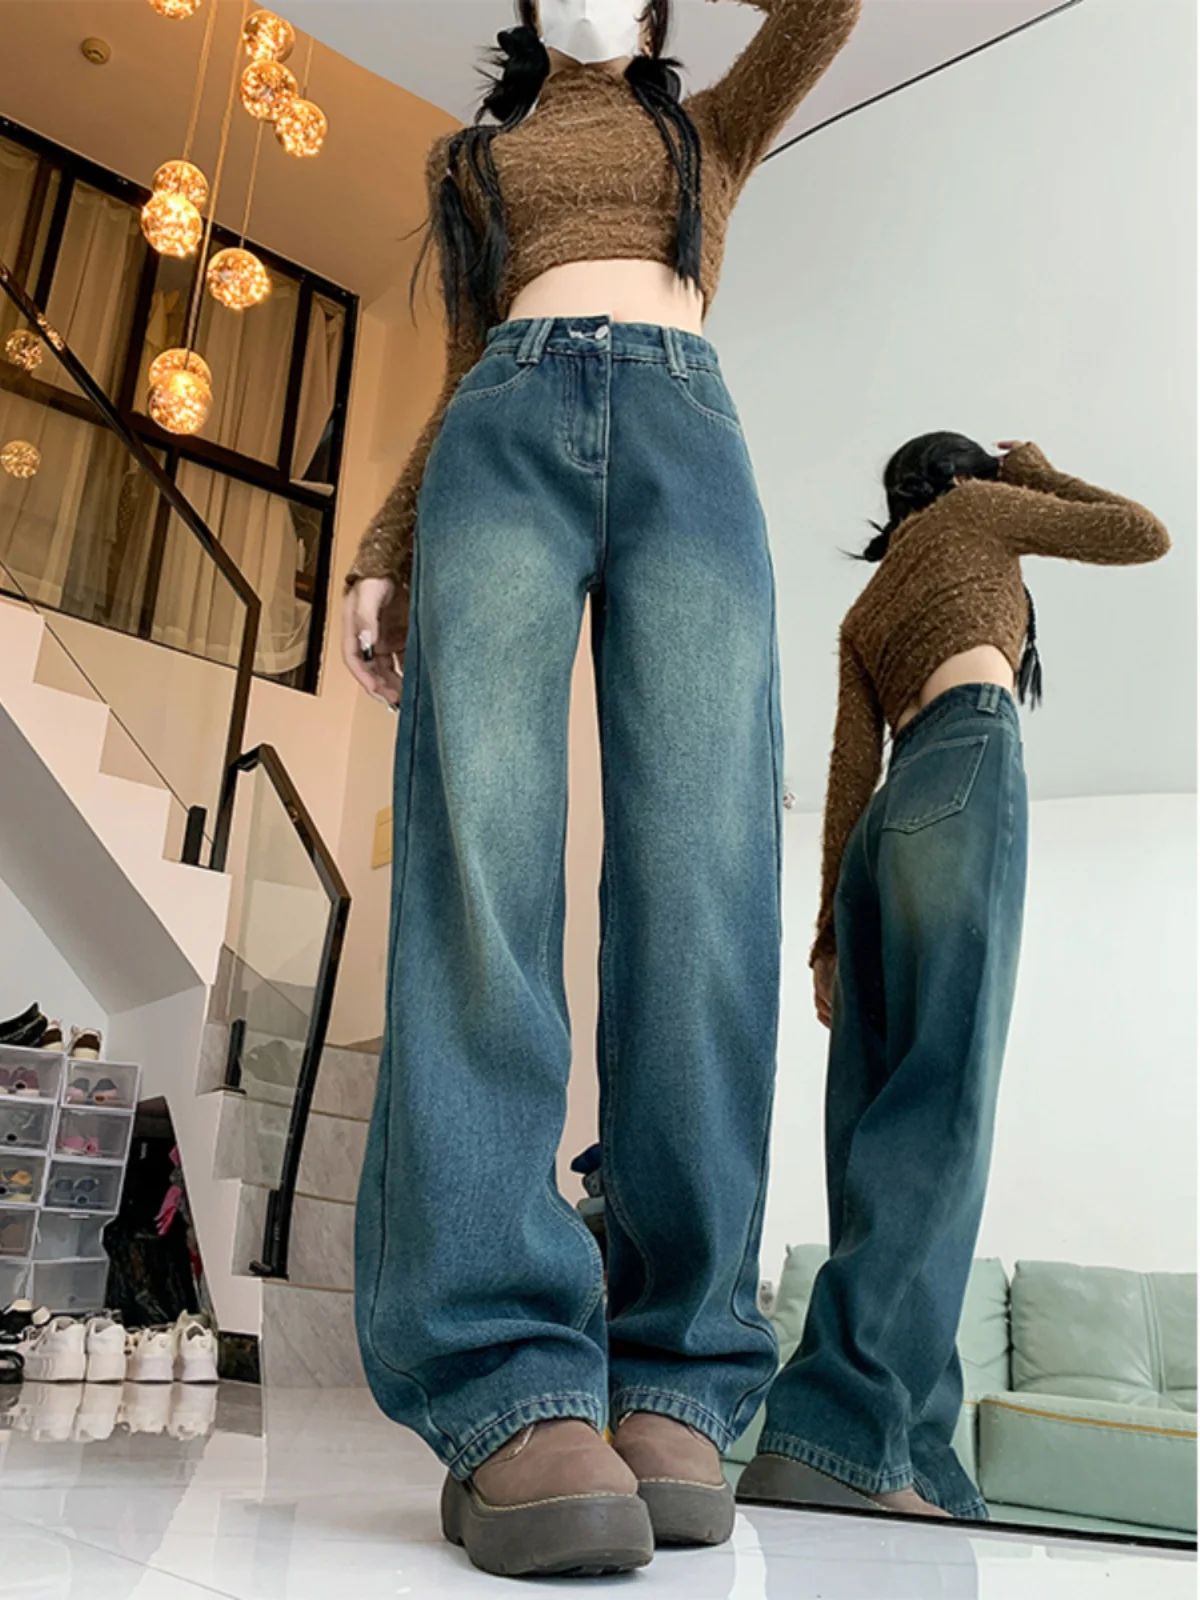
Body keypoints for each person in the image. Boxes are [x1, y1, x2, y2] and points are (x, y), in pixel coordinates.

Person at [341, 0, 862, 1579]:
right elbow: (455, 365)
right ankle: (505, 1378)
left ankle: (680, 1370)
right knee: (482, 866)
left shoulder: (709, 131)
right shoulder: (472, 159)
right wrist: (384, 547)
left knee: (705, 882)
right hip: (500, 431)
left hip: (689, 441)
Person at [737, 434, 1170, 1520]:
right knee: (942, 1113)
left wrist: (829, 936)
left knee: (873, 1128)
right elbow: (1141, 534)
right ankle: (838, 1430)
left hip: (884, 827)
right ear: (968, 477)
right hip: (968, 762)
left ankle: (912, 1453)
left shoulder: (868, 608)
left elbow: (849, 774)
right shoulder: (980, 511)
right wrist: (1037, 473)